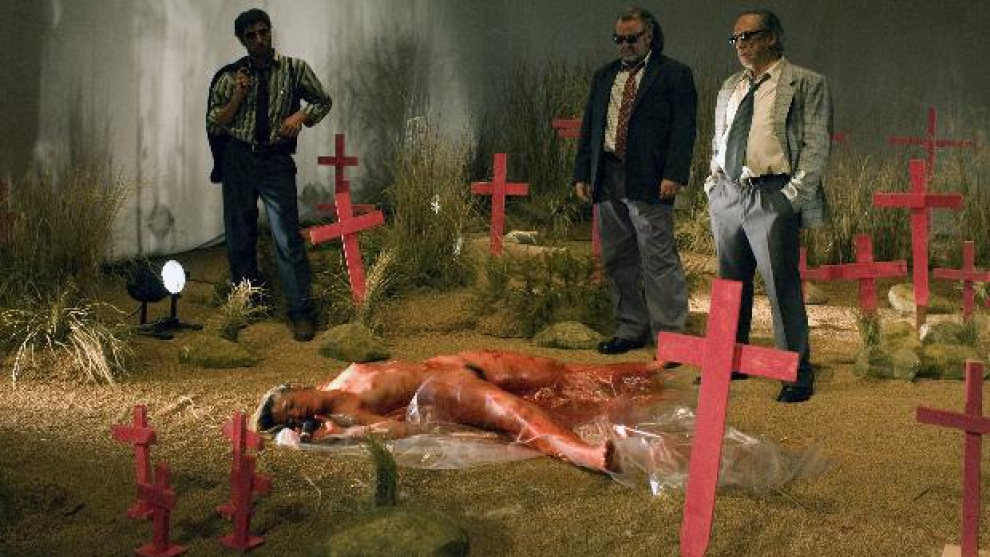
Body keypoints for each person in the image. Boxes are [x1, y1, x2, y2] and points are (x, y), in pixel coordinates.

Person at [703, 10, 833, 403]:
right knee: (729, 285)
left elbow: (816, 146)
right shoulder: (731, 86)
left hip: (772, 194)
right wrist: (713, 183)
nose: (740, 44)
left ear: (773, 37)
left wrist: (790, 198)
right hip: (729, 195)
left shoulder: (806, 83)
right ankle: (728, 362)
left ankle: (796, 373)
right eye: (735, 38)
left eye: (749, 36)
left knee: (782, 286)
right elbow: (721, 138)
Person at [251, 350, 668, 472]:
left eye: (290, 406)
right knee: (516, 413)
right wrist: (343, 435)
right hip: (445, 389)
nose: (296, 414)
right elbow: (394, 431)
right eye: (291, 419)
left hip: (447, 362)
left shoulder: (333, 381)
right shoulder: (344, 414)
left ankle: (644, 368)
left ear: (295, 389)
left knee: (555, 370)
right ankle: (587, 455)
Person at [572, 7, 697, 358]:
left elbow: (684, 128)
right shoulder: (604, 76)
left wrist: (674, 173)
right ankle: (630, 329)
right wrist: (582, 173)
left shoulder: (674, 74)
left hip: (650, 178)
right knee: (618, 259)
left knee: (658, 259)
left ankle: (671, 338)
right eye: (619, 39)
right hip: (608, 175)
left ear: (649, 36)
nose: (625, 45)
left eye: (632, 38)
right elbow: (591, 127)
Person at [207, 8, 332, 342]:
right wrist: (238, 96)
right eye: (251, 36)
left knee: (286, 237)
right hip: (238, 158)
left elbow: (323, 101)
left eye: (264, 32)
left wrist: (301, 116)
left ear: (271, 32)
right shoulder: (230, 76)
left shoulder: (293, 69)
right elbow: (216, 121)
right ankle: (248, 304)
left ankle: (300, 310)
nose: (259, 40)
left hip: (275, 160)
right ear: (242, 40)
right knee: (239, 235)